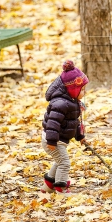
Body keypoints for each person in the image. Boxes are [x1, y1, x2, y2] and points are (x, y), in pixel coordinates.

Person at [41, 60, 88, 194]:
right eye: (82, 89)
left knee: (59, 160)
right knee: (64, 163)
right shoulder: (61, 104)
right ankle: (61, 189)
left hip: (58, 140)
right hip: (52, 140)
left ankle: (48, 185)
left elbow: (74, 122)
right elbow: (52, 124)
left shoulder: (72, 102)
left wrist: (81, 137)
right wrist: (51, 141)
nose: (84, 92)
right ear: (73, 89)